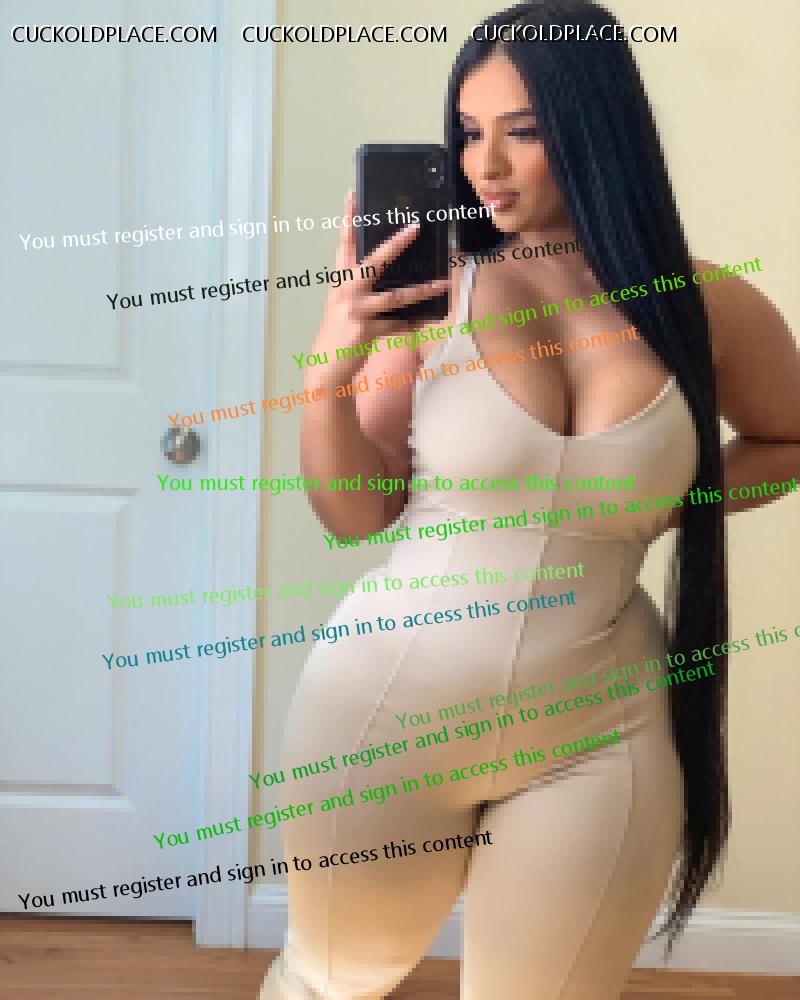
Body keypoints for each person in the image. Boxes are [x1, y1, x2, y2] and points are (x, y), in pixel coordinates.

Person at [260, 3, 800, 997]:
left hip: (600, 727)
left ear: (595, 132)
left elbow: (787, 438)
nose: (485, 165)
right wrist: (327, 374)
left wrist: (676, 501)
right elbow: (352, 512)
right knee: (335, 977)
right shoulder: (430, 295)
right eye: (468, 132)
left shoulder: (706, 305)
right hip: (388, 708)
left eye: (522, 131)